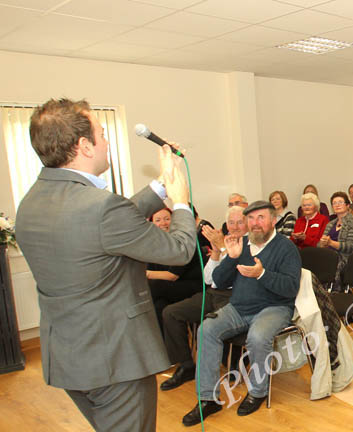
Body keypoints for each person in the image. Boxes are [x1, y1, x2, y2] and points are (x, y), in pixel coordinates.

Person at [16, 98, 196, 432]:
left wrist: (161, 182)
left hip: (72, 358)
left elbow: (105, 224)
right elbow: (181, 249)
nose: (107, 141)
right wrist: (181, 201)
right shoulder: (100, 208)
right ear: (84, 146)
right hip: (116, 359)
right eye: (102, 134)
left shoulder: (31, 202)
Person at [183, 201, 302, 424]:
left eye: (261, 218)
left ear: (273, 221)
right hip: (239, 307)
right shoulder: (242, 244)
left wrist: (262, 274)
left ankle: (258, 392)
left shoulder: (286, 248)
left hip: (274, 308)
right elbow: (218, 281)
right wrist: (233, 257)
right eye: (252, 219)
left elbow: (290, 288)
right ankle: (208, 399)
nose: (255, 224)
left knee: (257, 337)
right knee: (207, 329)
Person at [159, 205, 248, 392]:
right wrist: (216, 252)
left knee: (210, 324)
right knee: (171, 313)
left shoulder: (252, 244)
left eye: (240, 222)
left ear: (248, 223)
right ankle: (186, 365)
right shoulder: (224, 241)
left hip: (237, 296)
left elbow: (239, 274)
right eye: (231, 222)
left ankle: (232, 364)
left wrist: (223, 248)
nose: (235, 226)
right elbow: (209, 279)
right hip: (214, 293)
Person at [146, 207, 204, 333]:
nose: (163, 223)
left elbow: (172, 276)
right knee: (159, 307)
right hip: (168, 290)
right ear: (152, 224)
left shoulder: (183, 241)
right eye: (158, 220)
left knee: (154, 285)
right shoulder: (153, 244)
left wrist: (146, 274)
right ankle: (164, 349)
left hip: (191, 286)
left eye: (167, 219)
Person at [319, 191, 353, 288]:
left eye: (340, 202)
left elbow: (351, 246)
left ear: (347, 205)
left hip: (347, 258)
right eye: (334, 203)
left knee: (333, 265)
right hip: (329, 256)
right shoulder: (330, 224)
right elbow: (320, 244)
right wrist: (322, 244)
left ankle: (334, 293)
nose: (337, 205)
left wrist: (330, 243)